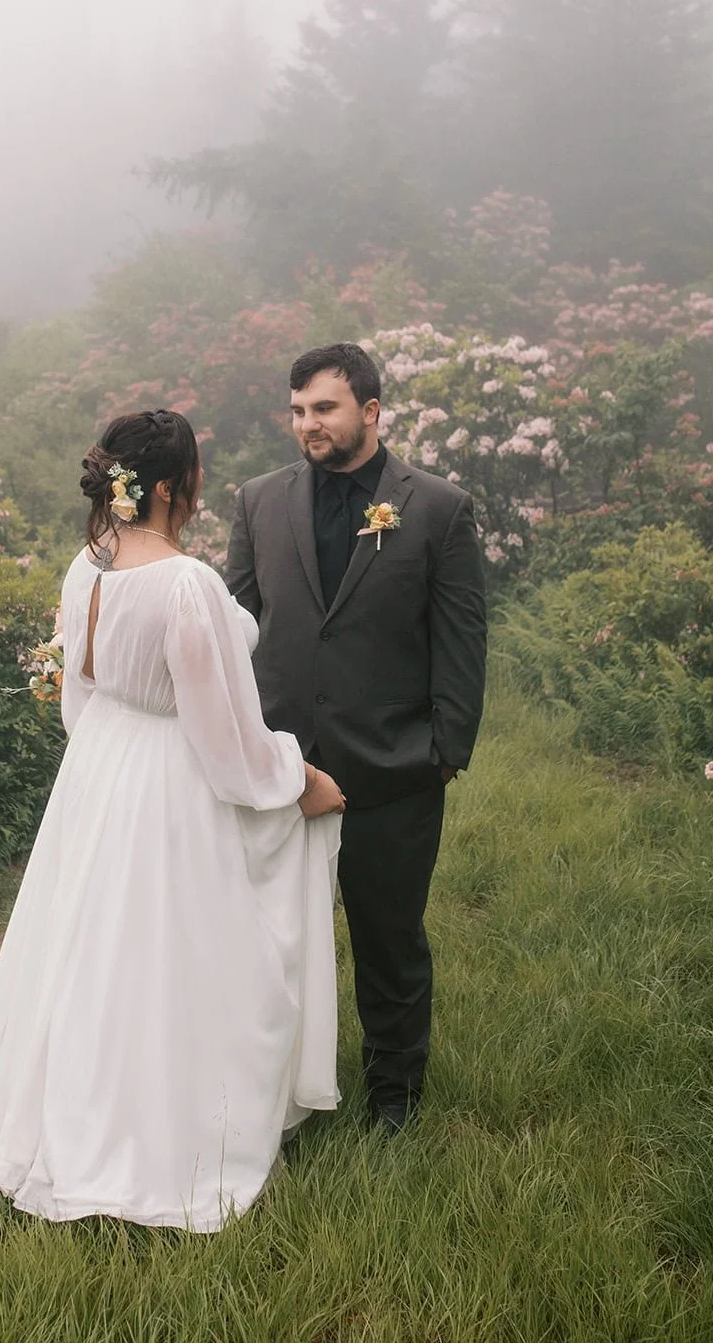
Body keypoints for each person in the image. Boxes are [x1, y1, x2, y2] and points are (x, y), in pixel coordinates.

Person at [0, 408, 345, 1232]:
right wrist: (297, 778)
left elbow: (79, 699)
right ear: (167, 486)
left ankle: (62, 1113)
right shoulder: (184, 584)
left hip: (99, 769)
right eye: (193, 474)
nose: (198, 487)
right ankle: (160, 1135)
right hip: (167, 775)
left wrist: (107, 769)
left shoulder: (86, 568)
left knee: (90, 950)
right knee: (172, 949)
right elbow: (222, 741)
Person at [224, 343, 487, 1133]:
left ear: (371, 412)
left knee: (389, 939)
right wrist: (247, 749)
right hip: (281, 769)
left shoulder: (438, 508)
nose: (307, 423)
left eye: (325, 409)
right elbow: (230, 630)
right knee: (267, 944)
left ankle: (394, 1098)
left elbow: (462, 641)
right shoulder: (258, 501)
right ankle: (264, 1096)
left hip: (393, 767)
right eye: (299, 409)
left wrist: (443, 752)